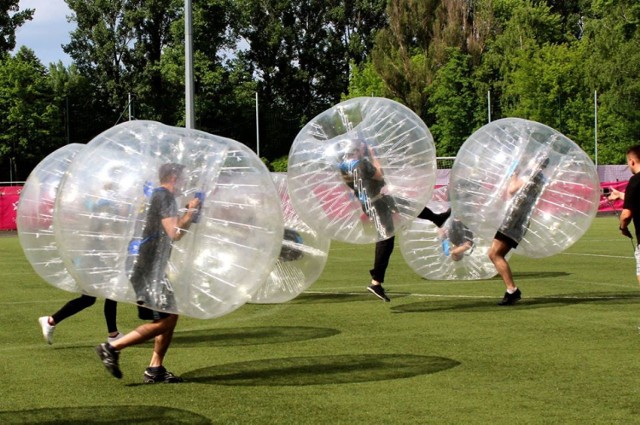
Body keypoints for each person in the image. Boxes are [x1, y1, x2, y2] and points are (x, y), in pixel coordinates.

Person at [95, 162, 200, 383]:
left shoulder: (158, 196)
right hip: (146, 268)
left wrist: (188, 215)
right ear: (172, 177)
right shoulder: (164, 197)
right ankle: (112, 347)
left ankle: (155, 368)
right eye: (183, 178)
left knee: (170, 314)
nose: (185, 182)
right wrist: (190, 213)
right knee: (165, 320)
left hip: (149, 266)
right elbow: (174, 233)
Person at [488, 155, 550, 306]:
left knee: (495, 254)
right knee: (495, 254)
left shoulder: (533, 176)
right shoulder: (540, 178)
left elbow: (511, 189)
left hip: (514, 220)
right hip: (518, 220)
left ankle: (512, 290)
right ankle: (511, 290)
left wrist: (514, 173)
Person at [367, 206, 451, 302]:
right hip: (374, 202)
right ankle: (376, 282)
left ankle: (437, 218)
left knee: (405, 204)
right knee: (386, 240)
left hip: (376, 200)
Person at [338, 138, 396, 239]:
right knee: (386, 232)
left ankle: (433, 218)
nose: (364, 151)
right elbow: (379, 175)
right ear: (355, 151)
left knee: (385, 231)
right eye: (362, 149)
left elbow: (351, 184)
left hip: (366, 203)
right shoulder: (362, 164)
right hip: (376, 201)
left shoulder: (343, 166)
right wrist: (373, 155)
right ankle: (433, 218)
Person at [38, 297, 121, 345]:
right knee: (90, 298)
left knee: (110, 295)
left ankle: (113, 334)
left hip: (96, 267)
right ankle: (113, 335)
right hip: (92, 267)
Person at [615, 145, 640, 287]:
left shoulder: (635, 181)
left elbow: (626, 214)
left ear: (632, 161)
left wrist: (623, 227)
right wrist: (620, 195)